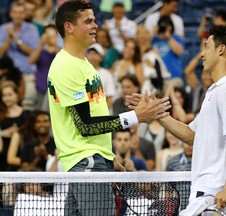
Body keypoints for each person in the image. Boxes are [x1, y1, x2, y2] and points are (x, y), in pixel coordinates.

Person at [47, 1, 170, 215]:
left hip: (92, 161)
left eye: (94, 20)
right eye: (88, 21)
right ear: (69, 27)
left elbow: (94, 117)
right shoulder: (67, 66)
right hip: (87, 163)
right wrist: (135, 116)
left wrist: (109, 157)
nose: (95, 25)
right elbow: (85, 126)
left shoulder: (83, 64)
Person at [127, 25, 226, 215]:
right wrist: (157, 113)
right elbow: (192, 136)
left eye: (206, 47)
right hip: (209, 190)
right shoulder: (215, 91)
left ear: (221, 49)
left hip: (215, 192)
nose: (202, 54)